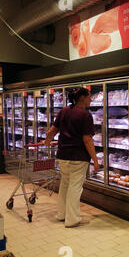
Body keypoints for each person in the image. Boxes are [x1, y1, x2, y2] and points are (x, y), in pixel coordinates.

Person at [44, 87, 99, 228]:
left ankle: (61, 215)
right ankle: (72, 219)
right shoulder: (85, 115)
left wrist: (47, 142)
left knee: (65, 185)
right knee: (75, 188)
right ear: (82, 98)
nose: (90, 99)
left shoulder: (64, 111)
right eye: (89, 97)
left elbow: (52, 130)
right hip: (78, 157)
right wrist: (95, 159)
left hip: (63, 155)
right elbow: (87, 139)